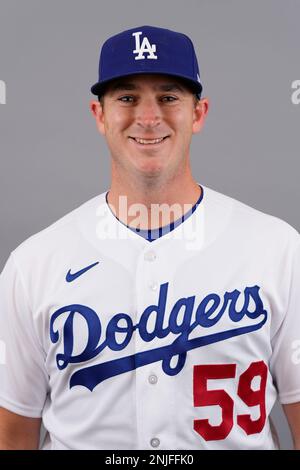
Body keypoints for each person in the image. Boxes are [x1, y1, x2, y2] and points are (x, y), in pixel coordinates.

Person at [0, 25, 299, 450]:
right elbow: (13, 433)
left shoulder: (279, 250)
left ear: (198, 113)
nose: (148, 117)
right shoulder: (33, 264)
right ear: (99, 115)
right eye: (126, 98)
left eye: (168, 97)